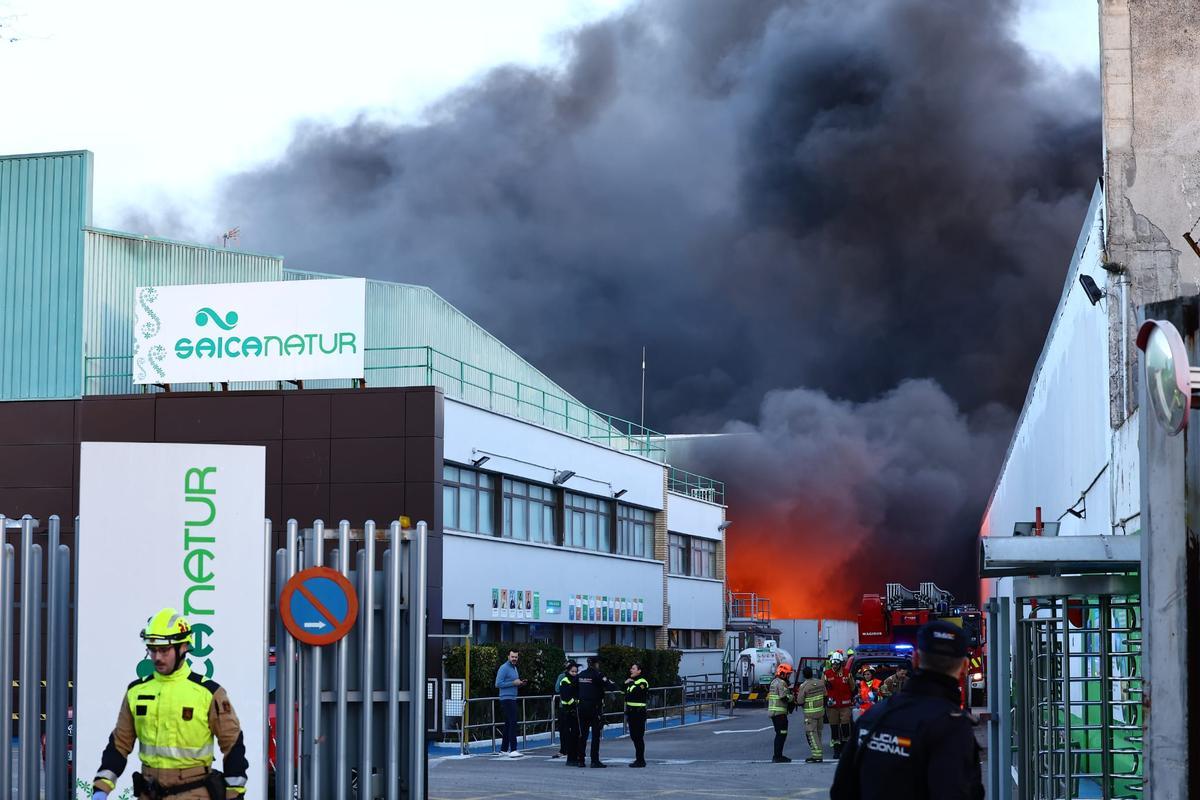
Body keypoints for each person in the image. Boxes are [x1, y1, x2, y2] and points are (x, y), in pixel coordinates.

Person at [90, 608, 248, 800]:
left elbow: (232, 743)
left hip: (194, 793)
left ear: (183, 648)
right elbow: (119, 744)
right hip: (149, 793)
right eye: (152, 649)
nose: (157, 657)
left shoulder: (209, 692)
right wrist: (101, 788)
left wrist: (235, 793)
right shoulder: (137, 691)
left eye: (164, 650)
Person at [830, 620, 984, 800]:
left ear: (916, 660)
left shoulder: (873, 717)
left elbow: (841, 791)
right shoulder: (952, 728)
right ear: (965, 667)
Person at [577, 656, 617, 767]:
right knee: (595, 735)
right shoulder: (598, 675)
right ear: (596, 664)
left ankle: (581, 760)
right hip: (594, 708)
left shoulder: (581, 675)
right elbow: (611, 687)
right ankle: (594, 760)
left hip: (582, 707)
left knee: (583, 735)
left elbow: (575, 688)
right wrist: (611, 683)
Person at [494, 649, 526, 757]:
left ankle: (503, 749)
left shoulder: (514, 668)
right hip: (506, 699)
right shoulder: (504, 668)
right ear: (508, 656)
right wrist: (513, 683)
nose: (514, 659)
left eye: (516, 657)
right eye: (512, 657)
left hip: (512, 697)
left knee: (508, 724)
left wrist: (519, 683)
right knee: (513, 722)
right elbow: (498, 684)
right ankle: (513, 749)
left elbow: (511, 683)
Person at [824, 651, 854, 757]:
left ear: (841, 663)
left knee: (846, 728)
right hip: (832, 707)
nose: (835, 666)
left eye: (837, 663)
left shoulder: (847, 673)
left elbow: (853, 687)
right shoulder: (826, 674)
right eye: (833, 663)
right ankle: (836, 752)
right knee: (834, 729)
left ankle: (845, 751)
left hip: (845, 706)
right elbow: (823, 690)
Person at [794, 666, 827, 763]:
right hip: (820, 712)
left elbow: (800, 701)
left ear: (804, 675)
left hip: (810, 714)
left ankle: (817, 755)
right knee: (819, 733)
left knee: (812, 734)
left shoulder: (804, 686)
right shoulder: (820, 683)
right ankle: (818, 753)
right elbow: (825, 695)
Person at [624, 662, 650, 768]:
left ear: (639, 671)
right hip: (631, 712)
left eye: (633, 668)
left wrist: (629, 684)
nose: (631, 670)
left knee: (638, 737)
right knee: (634, 736)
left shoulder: (642, 682)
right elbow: (623, 693)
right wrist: (626, 684)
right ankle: (638, 759)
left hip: (639, 712)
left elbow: (635, 693)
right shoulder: (631, 681)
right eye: (631, 668)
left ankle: (640, 760)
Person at [767, 662, 793, 763]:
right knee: (781, 734)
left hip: (774, 713)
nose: (789, 676)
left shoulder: (774, 682)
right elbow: (784, 697)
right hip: (780, 714)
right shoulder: (782, 683)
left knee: (779, 734)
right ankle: (778, 756)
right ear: (782, 673)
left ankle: (778, 755)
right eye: (788, 674)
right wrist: (792, 698)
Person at [557, 661, 582, 766]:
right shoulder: (565, 681)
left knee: (576, 735)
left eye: (576, 671)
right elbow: (566, 698)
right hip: (568, 711)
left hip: (575, 711)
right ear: (568, 671)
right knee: (570, 735)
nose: (574, 673)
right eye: (572, 671)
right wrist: (575, 704)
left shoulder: (576, 680)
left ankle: (575, 756)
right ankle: (571, 758)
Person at [552, 660, 570, 760]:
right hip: (566, 706)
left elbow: (557, 689)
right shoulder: (564, 676)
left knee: (564, 729)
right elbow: (557, 689)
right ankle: (565, 750)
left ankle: (564, 750)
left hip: (564, 706)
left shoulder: (562, 676)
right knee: (565, 729)